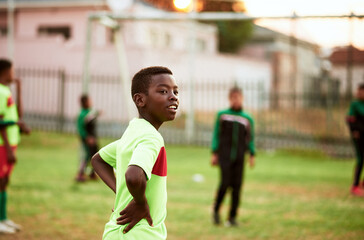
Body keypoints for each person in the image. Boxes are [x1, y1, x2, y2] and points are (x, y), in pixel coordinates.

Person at [91, 66, 178, 239]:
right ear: (140, 100)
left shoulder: (133, 132)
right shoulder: (151, 137)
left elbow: (98, 160)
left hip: (115, 232)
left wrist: (121, 195)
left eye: (175, 91)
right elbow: (133, 175)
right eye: (163, 91)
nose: (173, 96)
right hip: (141, 234)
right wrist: (139, 202)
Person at [211, 86, 255, 227]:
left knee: (237, 187)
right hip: (225, 156)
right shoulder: (222, 115)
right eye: (233, 97)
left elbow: (250, 139)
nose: (236, 100)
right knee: (225, 184)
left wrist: (252, 154)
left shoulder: (247, 118)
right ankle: (216, 211)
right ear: (230, 99)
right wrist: (214, 153)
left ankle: (232, 218)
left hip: (240, 158)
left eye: (238, 97)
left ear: (242, 98)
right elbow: (216, 135)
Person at [0, 59, 30, 234]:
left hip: (11, 143)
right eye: (12, 71)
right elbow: (1, 122)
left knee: (5, 181)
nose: (14, 74)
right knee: (1, 181)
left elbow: (19, 114)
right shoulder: (1, 92)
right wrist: (9, 150)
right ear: (5, 71)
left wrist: (19, 90)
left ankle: (3, 218)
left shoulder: (6, 91)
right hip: (3, 145)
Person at [75, 94, 100, 182]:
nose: (91, 102)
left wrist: (98, 113)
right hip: (87, 139)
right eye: (89, 101)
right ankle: (80, 174)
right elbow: (80, 128)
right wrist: (87, 137)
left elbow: (93, 115)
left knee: (94, 155)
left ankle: (92, 174)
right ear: (85, 102)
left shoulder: (90, 111)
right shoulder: (82, 114)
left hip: (93, 138)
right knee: (86, 156)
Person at [346, 83, 364, 196]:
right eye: (359, 91)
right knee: (361, 159)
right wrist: (354, 131)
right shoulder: (355, 105)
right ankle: (355, 186)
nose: (358, 93)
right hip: (359, 137)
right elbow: (349, 119)